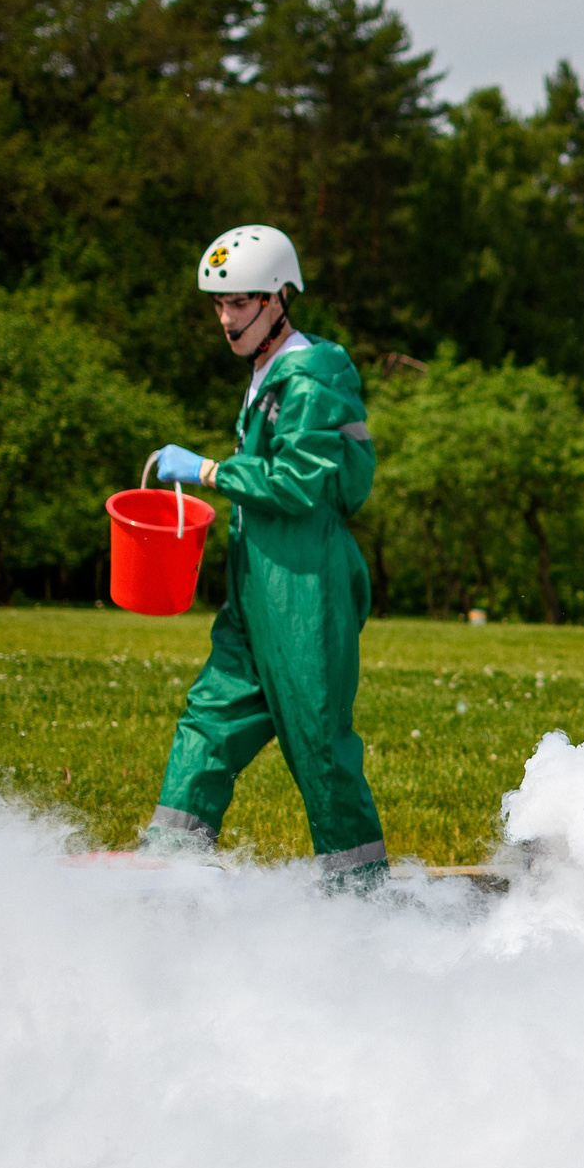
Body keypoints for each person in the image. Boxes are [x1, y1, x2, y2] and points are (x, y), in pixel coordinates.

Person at [142, 225, 386, 885]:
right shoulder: (267, 373)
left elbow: (302, 483)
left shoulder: (312, 377)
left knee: (318, 743)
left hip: (307, 587)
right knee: (210, 720)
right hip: (255, 585)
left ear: (280, 298)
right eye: (219, 305)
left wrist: (209, 471)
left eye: (241, 303)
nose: (227, 319)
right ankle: (168, 870)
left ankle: (363, 899)